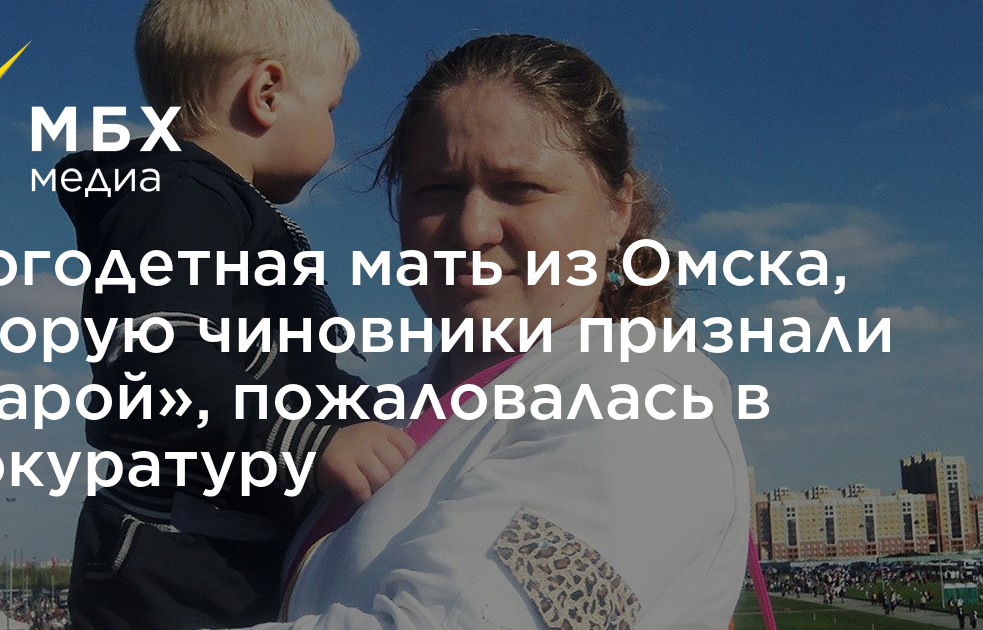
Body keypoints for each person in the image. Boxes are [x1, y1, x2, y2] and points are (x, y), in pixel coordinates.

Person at [239, 34, 750, 629]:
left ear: (618, 210)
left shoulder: (647, 401)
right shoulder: (394, 407)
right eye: (437, 190)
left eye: (520, 188)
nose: (472, 228)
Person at [58, 1, 415, 628]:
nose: (334, 127)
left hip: (205, 547)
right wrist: (313, 444)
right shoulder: (179, 196)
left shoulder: (211, 203)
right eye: (331, 107)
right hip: (177, 558)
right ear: (267, 94)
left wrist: (379, 412)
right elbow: (159, 360)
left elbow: (283, 370)